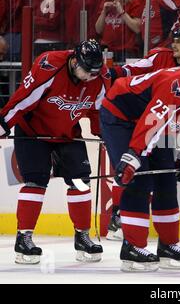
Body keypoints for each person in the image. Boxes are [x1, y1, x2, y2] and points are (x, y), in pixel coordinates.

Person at [99, 59, 180, 272]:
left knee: (166, 181)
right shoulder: (175, 83)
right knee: (139, 179)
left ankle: (168, 245)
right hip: (120, 114)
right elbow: (152, 122)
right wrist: (133, 156)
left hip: (156, 124)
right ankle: (132, 247)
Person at [0, 39, 110, 264]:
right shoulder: (49, 65)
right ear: (74, 61)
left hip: (67, 133)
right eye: (86, 72)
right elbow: (22, 100)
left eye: (94, 73)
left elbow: (99, 112)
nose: (89, 77)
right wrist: (3, 125)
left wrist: (106, 136)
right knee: (36, 182)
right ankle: (24, 238)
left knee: (80, 182)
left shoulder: (99, 77)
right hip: (33, 132)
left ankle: (82, 236)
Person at [105, 26, 180, 240]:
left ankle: (164, 240)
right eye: (174, 40)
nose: (174, 44)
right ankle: (119, 214)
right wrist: (108, 73)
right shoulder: (160, 56)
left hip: (164, 126)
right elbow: (129, 70)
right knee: (131, 168)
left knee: (163, 179)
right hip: (136, 118)